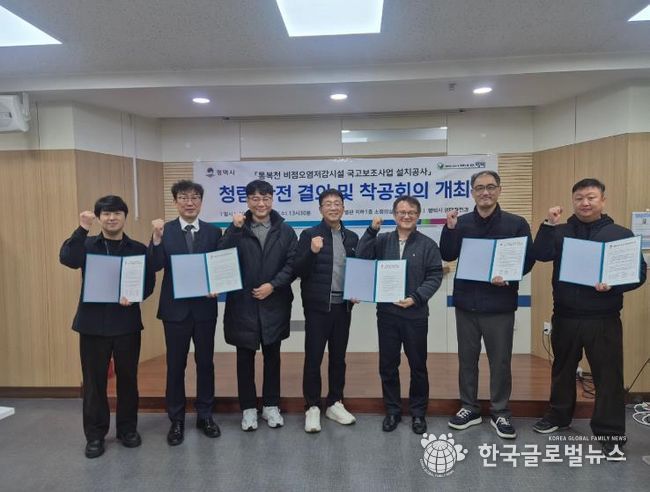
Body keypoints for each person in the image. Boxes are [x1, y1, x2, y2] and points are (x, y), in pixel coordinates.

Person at [531, 178, 646, 455]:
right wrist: (548, 224)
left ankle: (610, 433)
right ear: (573, 201)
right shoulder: (560, 231)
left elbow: (639, 274)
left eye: (591, 197)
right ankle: (558, 417)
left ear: (602, 200)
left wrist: (613, 285)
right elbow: (540, 254)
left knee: (608, 376)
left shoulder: (620, 234)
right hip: (565, 316)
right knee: (562, 371)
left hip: (603, 318)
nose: (585, 203)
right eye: (579, 198)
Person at [440, 170, 535, 439]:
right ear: (472, 192)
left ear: (499, 190)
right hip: (466, 303)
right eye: (479, 187)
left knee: (500, 361)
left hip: (500, 303)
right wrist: (449, 229)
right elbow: (447, 253)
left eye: (491, 187)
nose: (485, 192)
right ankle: (468, 407)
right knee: (467, 359)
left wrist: (509, 275)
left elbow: (527, 259)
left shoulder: (516, 223)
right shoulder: (461, 223)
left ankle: (500, 411)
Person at [149, 180, 243, 446]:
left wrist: (218, 285)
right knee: (175, 366)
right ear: (175, 202)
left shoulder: (213, 232)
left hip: (204, 309)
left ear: (201, 201)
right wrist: (156, 240)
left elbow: (221, 263)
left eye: (194, 198)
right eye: (183, 197)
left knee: (205, 363)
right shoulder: (164, 231)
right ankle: (176, 419)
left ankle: (205, 415)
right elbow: (154, 266)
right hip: (175, 310)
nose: (189, 203)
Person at [60, 195, 155, 459]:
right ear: (99, 217)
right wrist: (81, 228)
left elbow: (148, 283)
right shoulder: (86, 244)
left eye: (117, 213)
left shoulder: (137, 248)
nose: (112, 218)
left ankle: (127, 430)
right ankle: (95, 435)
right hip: (92, 325)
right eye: (106, 214)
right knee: (94, 383)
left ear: (125, 217)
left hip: (126, 324)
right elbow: (67, 258)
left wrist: (134, 296)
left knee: (128, 380)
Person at [357, 196, 443, 434]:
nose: (406, 216)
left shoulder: (428, 244)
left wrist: (416, 297)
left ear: (418, 216)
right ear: (394, 215)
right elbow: (362, 258)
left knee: (418, 366)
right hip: (387, 314)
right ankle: (392, 411)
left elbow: (435, 275)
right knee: (388, 365)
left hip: (415, 315)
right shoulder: (382, 240)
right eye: (402, 212)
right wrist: (371, 231)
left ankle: (418, 413)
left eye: (411, 212)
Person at [221, 180, 297, 431]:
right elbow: (221, 257)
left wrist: (273, 285)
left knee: (273, 358)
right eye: (255, 198)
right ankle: (248, 409)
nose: (260, 203)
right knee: (244, 359)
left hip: (274, 303)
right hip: (243, 304)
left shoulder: (285, 230)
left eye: (265, 198)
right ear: (247, 201)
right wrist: (234, 229)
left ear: (272, 200)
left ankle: (271, 406)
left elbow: (292, 264)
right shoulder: (237, 227)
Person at [294, 189, 359, 433]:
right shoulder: (309, 234)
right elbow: (298, 270)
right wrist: (312, 252)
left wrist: (357, 290)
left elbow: (357, 269)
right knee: (313, 357)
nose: (333, 207)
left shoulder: (351, 237)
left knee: (338, 358)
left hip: (343, 307)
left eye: (337, 203)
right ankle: (312, 406)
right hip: (317, 307)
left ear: (343, 208)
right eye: (328, 204)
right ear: (320, 209)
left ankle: (334, 402)